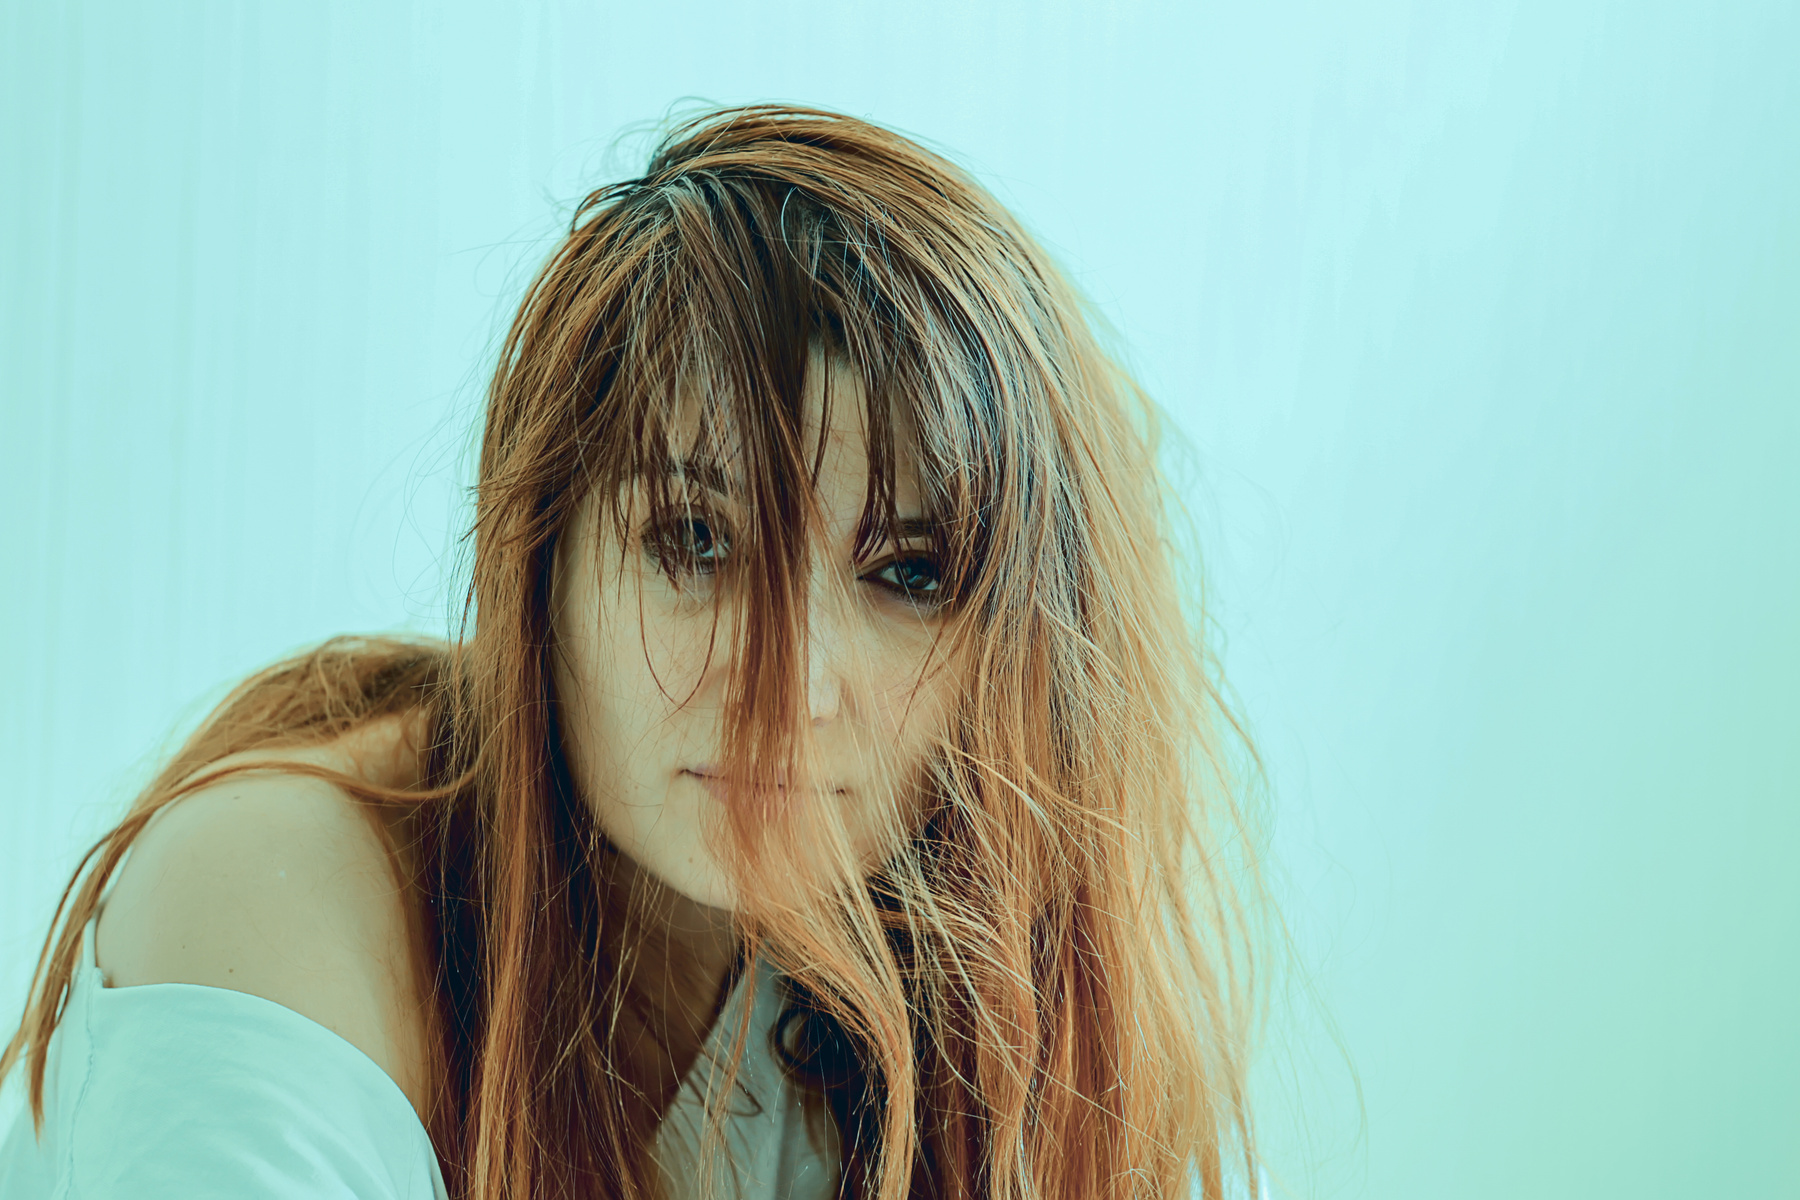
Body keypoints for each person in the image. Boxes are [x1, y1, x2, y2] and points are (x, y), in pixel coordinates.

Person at [0, 105, 1272, 1199]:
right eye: (696, 540)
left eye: (909, 574)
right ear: (540, 558)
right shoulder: (284, 888)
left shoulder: (950, 975)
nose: (788, 690)